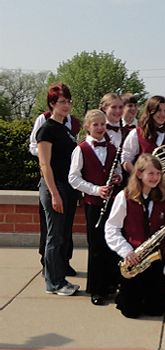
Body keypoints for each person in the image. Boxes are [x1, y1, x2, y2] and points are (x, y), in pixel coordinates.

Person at [105, 154, 165, 318]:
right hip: (133, 259)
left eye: (158, 173)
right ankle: (125, 294)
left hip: (155, 260)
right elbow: (111, 228)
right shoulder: (125, 196)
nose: (155, 178)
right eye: (151, 173)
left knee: (156, 311)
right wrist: (126, 251)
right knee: (131, 312)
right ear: (139, 174)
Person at [68, 109, 122, 305]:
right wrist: (95, 190)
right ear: (87, 127)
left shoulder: (112, 148)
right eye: (96, 125)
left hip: (112, 204)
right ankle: (96, 289)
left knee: (112, 245)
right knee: (97, 246)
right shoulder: (80, 149)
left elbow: (118, 172)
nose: (100, 128)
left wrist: (118, 178)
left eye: (103, 124)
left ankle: (110, 285)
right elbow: (73, 178)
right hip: (93, 204)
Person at [36, 83, 81, 295]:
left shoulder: (65, 128)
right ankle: (53, 283)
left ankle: (59, 278)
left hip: (68, 188)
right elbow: (45, 164)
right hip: (55, 187)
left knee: (62, 235)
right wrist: (54, 194)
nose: (66, 105)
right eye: (62, 102)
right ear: (52, 104)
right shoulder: (47, 129)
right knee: (54, 237)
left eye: (68, 101)